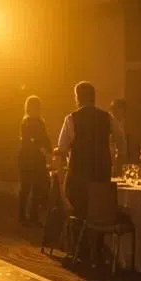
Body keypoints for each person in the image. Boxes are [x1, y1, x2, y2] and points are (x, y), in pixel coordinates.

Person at [57, 81, 126, 219]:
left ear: (78, 98)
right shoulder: (107, 117)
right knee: (99, 213)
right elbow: (121, 139)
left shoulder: (71, 119)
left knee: (79, 214)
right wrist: (119, 160)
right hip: (101, 175)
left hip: (78, 176)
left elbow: (62, 148)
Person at [17, 95, 50, 226]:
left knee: (35, 187)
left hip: (32, 158)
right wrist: (45, 148)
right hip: (30, 158)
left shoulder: (33, 122)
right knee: (28, 187)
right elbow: (38, 139)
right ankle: (25, 216)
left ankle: (30, 216)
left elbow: (44, 139)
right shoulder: (29, 123)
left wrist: (49, 149)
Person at [109, 98, 129, 176]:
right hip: (111, 161)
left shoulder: (122, 126)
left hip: (118, 161)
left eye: (117, 109)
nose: (114, 112)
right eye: (113, 109)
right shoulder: (110, 123)